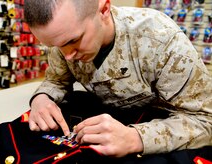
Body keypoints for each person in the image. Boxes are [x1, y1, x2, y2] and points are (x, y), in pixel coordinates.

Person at [24, 0, 212, 161]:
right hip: (108, 126)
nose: (67, 56)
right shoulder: (64, 37)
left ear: (104, 9)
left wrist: (135, 138)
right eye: (54, 46)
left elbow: (206, 121)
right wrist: (41, 98)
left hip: (164, 131)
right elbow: (56, 81)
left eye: (73, 41)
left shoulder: (161, 39)